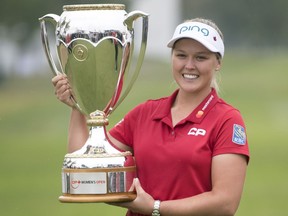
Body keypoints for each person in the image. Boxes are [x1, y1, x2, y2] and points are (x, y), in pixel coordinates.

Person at [52, 18, 249, 216]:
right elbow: (85, 165)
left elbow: (225, 203)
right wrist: (78, 106)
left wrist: (155, 208)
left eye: (200, 57)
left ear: (218, 63)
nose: (189, 65)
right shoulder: (145, 113)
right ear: (172, 58)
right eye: (181, 55)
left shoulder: (227, 120)